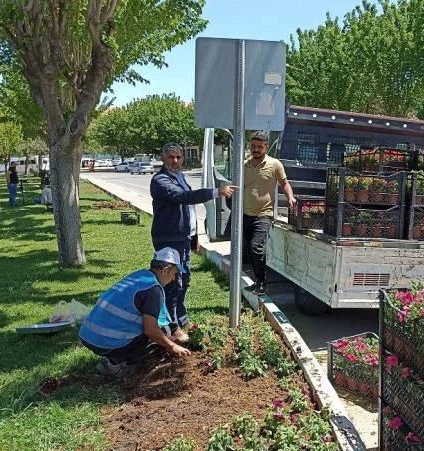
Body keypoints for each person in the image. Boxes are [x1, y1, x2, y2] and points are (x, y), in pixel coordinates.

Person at [150, 142, 235, 343]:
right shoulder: (160, 180)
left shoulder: (180, 177)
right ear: (163, 158)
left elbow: (188, 212)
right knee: (172, 284)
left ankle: (181, 318)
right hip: (169, 241)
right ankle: (172, 327)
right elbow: (183, 198)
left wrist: (194, 237)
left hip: (183, 240)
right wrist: (216, 191)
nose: (175, 161)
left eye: (178, 157)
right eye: (171, 157)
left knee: (184, 280)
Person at [79, 247, 192, 378]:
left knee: (162, 331)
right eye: (174, 273)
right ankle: (117, 366)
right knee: (160, 334)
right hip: (103, 340)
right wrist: (173, 346)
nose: (173, 279)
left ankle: (113, 357)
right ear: (165, 270)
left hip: (88, 334)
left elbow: (160, 317)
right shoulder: (153, 289)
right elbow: (151, 330)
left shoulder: (140, 276)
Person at [242, 130, 296, 295]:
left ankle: (263, 283)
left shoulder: (274, 164)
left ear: (266, 147)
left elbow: (284, 183)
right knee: (249, 251)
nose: (256, 149)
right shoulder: (244, 164)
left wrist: (291, 198)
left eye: (260, 146)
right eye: (254, 146)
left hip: (264, 214)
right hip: (245, 213)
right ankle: (257, 281)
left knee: (256, 247)